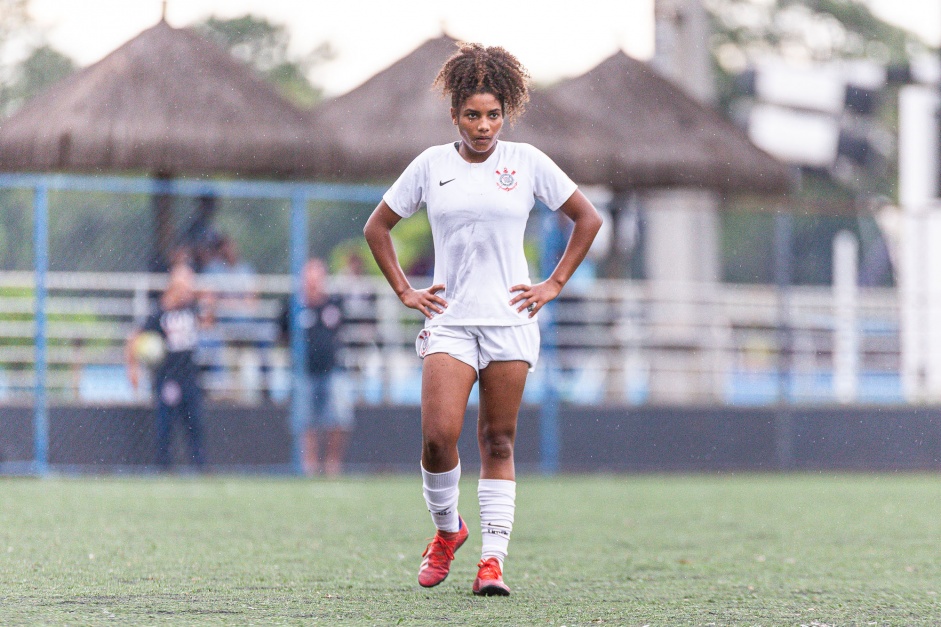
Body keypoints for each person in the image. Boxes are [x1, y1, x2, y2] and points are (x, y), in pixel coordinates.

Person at [363, 42, 602, 596]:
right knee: (437, 438)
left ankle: (493, 562)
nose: (483, 125)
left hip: (510, 321)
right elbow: (377, 227)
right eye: (472, 114)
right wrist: (404, 289)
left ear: (505, 113)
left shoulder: (527, 162)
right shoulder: (430, 165)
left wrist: (554, 283)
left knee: (498, 440)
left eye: (493, 114)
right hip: (449, 321)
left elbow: (585, 219)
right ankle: (448, 531)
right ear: (454, 114)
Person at [126, 263, 206, 470]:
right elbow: (135, 337)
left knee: (195, 425)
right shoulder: (161, 312)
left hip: (190, 376)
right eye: (183, 284)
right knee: (165, 426)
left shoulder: (193, 309)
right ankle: (164, 467)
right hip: (168, 377)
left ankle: (200, 467)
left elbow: (209, 320)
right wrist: (132, 368)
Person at [279, 258, 353, 477]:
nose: (313, 284)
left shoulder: (334, 304)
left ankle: (332, 464)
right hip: (304, 372)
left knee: (339, 419)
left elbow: (341, 332)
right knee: (305, 422)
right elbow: (281, 334)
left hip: (333, 370)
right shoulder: (291, 306)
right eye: (309, 279)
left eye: (317, 279)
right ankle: (309, 466)